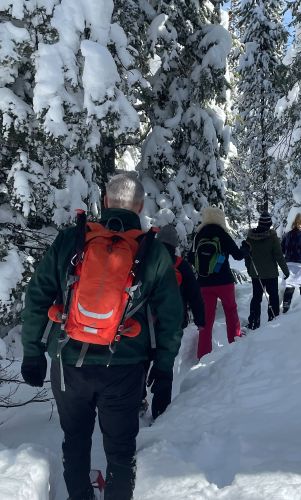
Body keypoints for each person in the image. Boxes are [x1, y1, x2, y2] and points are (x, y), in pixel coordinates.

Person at [20, 174, 183, 500]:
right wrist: (163, 368)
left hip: (69, 362)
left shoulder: (71, 240)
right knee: (121, 448)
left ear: (105, 202)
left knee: (75, 439)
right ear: (139, 207)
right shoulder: (152, 251)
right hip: (125, 365)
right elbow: (170, 317)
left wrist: (33, 351)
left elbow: (37, 296)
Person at [142, 223, 205, 418]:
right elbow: (194, 295)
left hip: (145, 322)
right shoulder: (181, 265)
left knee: (141, 362)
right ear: (175, 244)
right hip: (172, 324)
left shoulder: (145, 260)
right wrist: (201, 319)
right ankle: (160, 413)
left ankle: (137, 400)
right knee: (165, 364)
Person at [188, 206, 249, 359]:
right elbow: (238, 256)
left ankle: (203, 354)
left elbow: (191, 257)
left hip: (204, 283)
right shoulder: (223, 234)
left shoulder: (198, 235)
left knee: (206, 318)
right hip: (224, 282)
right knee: (230, 311)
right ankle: (234, 342)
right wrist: (245, 249)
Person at [244, 211, 289, 330]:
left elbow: (247, 255)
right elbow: (278, 255)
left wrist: (249, 269)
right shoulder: (272, 237)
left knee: (256, 298)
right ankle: (273, 320)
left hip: (256, 273)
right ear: (269, 224)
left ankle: (253, 321)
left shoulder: (250, 237)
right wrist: (286, 270)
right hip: (271, 274)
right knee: (273, 296)